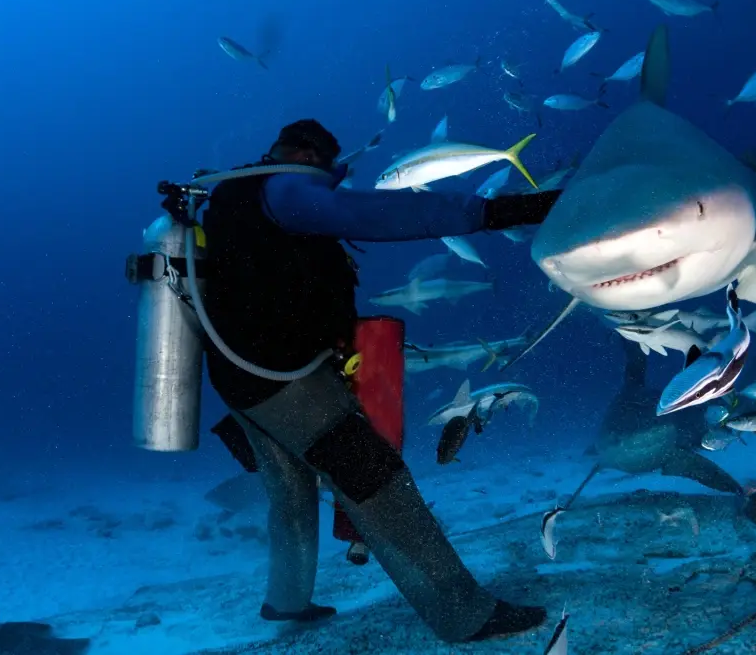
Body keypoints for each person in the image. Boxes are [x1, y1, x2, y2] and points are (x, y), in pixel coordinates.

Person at [200, 119, 559, 643]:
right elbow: (377, 213)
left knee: (291, 492)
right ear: (310, 156)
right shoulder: (284, 187)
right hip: (282, 379)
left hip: (237, 376)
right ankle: (464, 614)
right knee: (376, 479)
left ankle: (286, 603)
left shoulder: (234, 197)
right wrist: (496, 211)